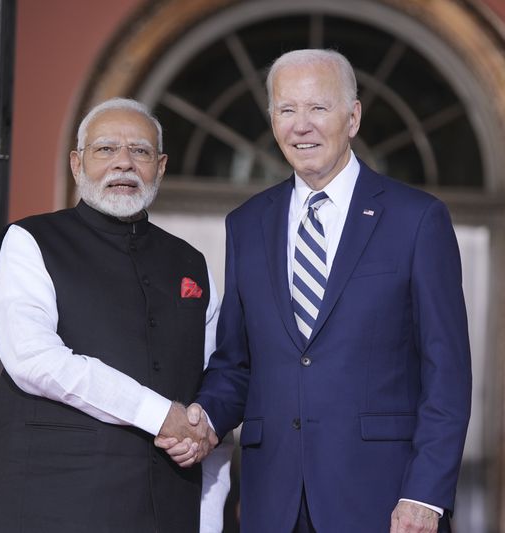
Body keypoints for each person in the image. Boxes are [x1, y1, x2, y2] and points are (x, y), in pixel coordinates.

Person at [160, 49, 472, 532]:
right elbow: (236, 365)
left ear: (353, 117)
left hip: (385, 502)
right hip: (272, 502)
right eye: (287, 110)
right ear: (272, 120)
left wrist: (424, 496)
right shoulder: (246, 224)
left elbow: (446, 374)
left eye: (318, 108)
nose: (300, 126)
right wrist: (203, 418)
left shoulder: (417, 220)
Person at [0, 98, 231, 533]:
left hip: (164, 513)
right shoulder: (31, 240)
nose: (124, 164)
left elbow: (207, 405)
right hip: (46, 509)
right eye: (105, 150)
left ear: (161, 167)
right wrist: (156, 412)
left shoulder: (191, 263)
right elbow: (34, 360)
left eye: (141, 151)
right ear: (76, 164)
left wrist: (207, 522)